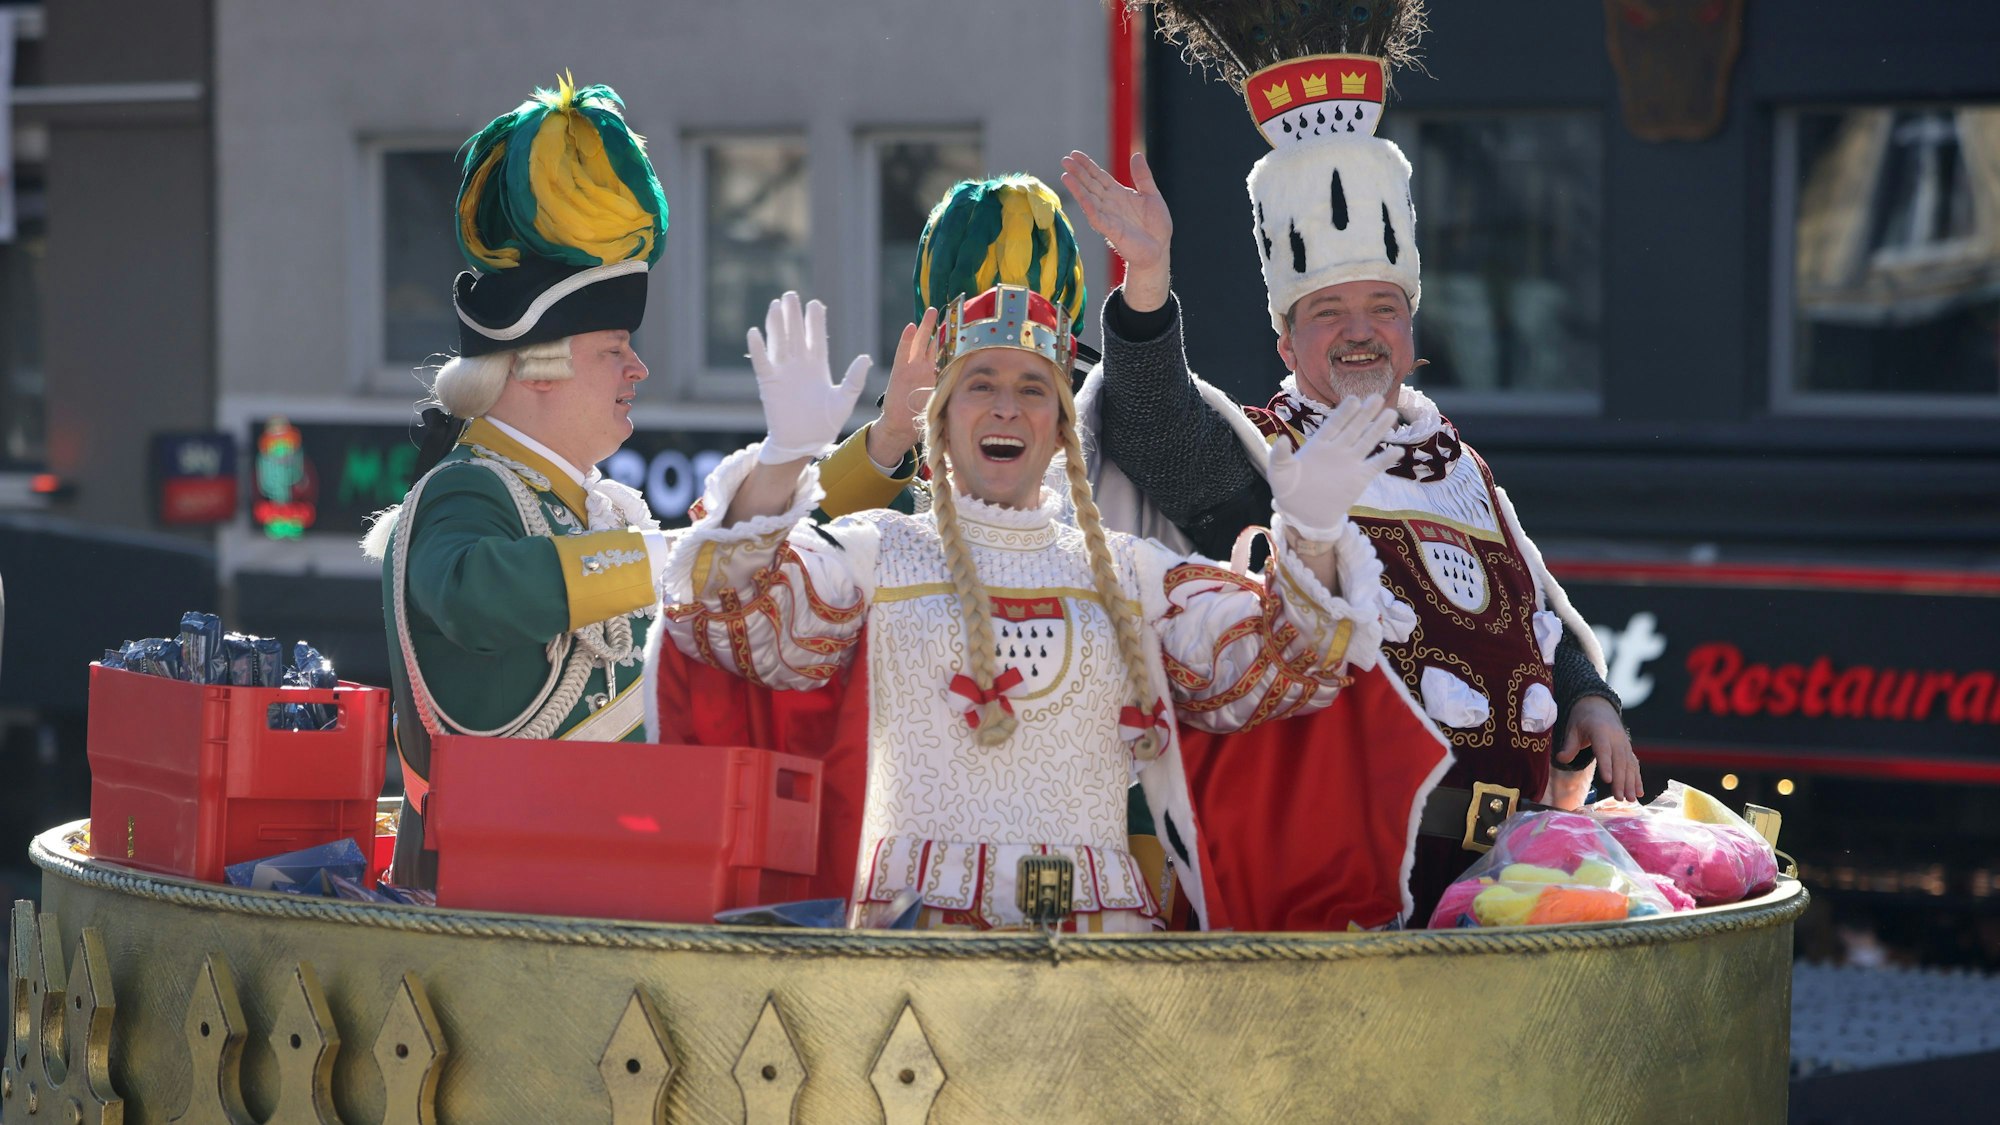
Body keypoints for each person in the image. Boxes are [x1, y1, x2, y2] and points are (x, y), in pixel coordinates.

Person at [1060, 2, 1642, 923]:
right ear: (1287, 343)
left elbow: (1527, 608)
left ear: (1412, 331)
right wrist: (1148, 281)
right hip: (1354, 896)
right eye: (1329, 311)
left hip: (1503, 881)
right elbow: (1154, 421)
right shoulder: (1267, 458)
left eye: (1383, 305)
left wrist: (1589, 697)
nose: (1361, 331)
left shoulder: (1456, 461)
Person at [657, 280, 1413, 931]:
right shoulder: (879, 550)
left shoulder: (1129, 572)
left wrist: (1311, 536)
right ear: (942, 421)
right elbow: (736, 620)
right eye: (980, 383)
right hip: (913, 944)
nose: (1007, 409)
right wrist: (784, 459)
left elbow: (1277, 667)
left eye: (1032, 390)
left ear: (1059, 434)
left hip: (1091, 944)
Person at [361, 78, 901, 890]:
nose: (639, 367)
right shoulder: (461, 492)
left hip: (611, 892)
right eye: (616, 347)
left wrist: (873, 447)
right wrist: (676, 558)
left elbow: (754, 561)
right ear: (536, 366)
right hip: (487, 917)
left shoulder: (608, 509)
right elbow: (472, 591)